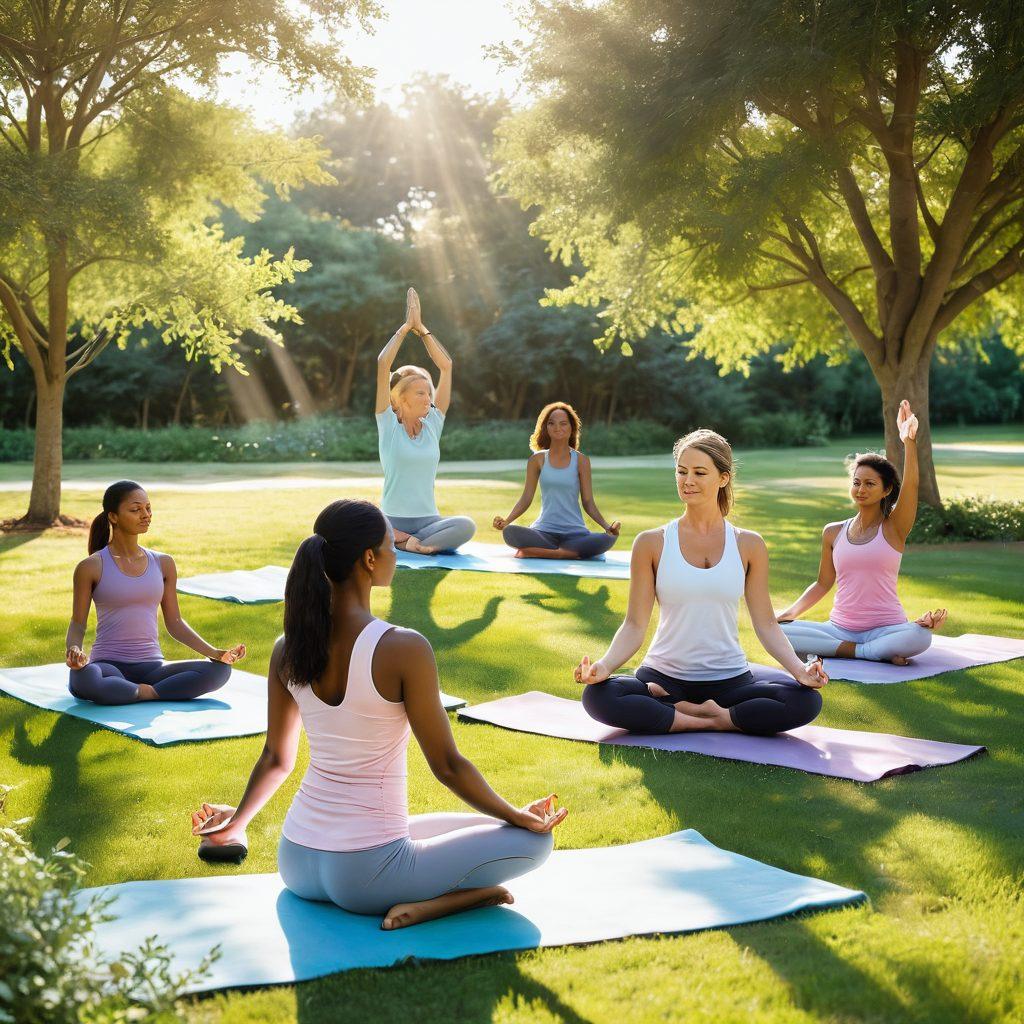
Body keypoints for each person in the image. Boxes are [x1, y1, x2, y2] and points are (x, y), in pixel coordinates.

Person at [190, 499, 566, 931]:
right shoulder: (403, 647)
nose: (396, 554)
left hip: (296, 861)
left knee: (491, 823)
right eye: (391, 545)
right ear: (369, 558)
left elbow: (276, 759)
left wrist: (236, 822)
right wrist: (518, 819)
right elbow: (447, 766)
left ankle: (463, 862)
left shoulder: (287, 647)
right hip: (369, 877)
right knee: (533, 841)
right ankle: (435, 904)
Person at [575, 429, 827, 736]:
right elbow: (634, 625)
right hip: (662, 677)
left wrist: (800, 670)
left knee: (806, 701)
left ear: (723, 478)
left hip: (730, 681)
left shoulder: (749, 544)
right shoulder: (651, 543)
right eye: (681, 471)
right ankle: (711, 719)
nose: (687, 480)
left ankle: (684, 713)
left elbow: (766, 624)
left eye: (699, 472)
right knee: (598, 696)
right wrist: (604, 666)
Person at [776, 400, 947, 665]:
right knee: (777, 630)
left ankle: (855, 650)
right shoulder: (832, 532)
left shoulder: (894, 528)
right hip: (839, 628)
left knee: (920, 636)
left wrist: (908, 442)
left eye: (869, 484)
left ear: (886, 490)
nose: (861, 489)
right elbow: (822, 584)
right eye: (856, 483)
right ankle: (871, 652)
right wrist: (787, 614)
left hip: (887, 628)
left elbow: (912, 485)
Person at [65, 480, 245, 705]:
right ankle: (153, 692)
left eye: (148, 508)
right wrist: (74, 650)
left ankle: (138, 692)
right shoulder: (91, 566)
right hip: (108, 666)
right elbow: (78, 623)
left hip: (153, 668)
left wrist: (215, 653)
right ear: (113, 516)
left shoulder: (163, 563)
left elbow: (175, 622)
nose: (146, 515)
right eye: (135, 509)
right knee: (83, 678)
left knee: (220, 671)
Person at [374, 287, 475, 554]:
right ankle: (404, 539)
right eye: (421, 393)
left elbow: (446, 366)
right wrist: (406, 327)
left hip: (429, 521)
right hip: (392, 520)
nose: (428, 398)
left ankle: (409, 543)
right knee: (364, 520)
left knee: (466, 525)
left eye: (428, 393)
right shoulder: (388, 425)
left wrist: (422, 330)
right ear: (401, 397)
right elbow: (383, 364)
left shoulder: (433, 425)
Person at [493, 402, 621, 560]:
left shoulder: (582, 461)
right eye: (551, 423)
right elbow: (526, 498)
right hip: (543, 532)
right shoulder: (537, 460)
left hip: (575, 534)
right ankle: (567, 553)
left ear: (572, 428)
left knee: (605, 540)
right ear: (546, 428)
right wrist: (507, 521)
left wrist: (608, 528)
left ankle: (546, 552)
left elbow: (588, 502)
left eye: (563, 423)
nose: (557, 427)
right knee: (510, 532)